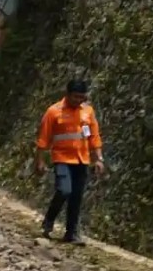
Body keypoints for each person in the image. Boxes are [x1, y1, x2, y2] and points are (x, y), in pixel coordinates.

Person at [35, 79, 105, 244]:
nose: (78, 100)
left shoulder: (88, 112)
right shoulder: (54, 111)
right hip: (62, 158)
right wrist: (39, 161)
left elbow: (94, 137)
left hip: (82, 160)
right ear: (67, 95)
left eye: (81, 97)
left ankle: (71, 233)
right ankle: (49, 221)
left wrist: (99, 159)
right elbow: (43, 139)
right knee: (64, 190)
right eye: (75, 97)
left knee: (76, 197)